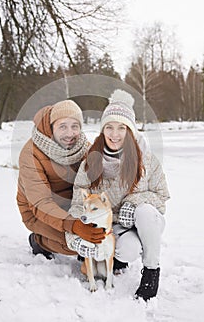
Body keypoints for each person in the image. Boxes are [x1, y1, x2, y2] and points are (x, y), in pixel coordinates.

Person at [66, 89, 170, 301]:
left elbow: (162, 198)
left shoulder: (147, 161)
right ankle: (114, 257)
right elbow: (79, 201)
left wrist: (133, 202)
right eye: (109, 127)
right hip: (112, 229)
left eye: (122, 128)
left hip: (141, 223)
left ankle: (151, 271)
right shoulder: (91, 161)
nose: (115, 134)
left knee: (145, 211)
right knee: (127, 250)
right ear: (103, 130)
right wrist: (74, 236)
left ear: (130, 130)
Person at [17, 100, 106, 259]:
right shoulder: (31, 154)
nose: (70, 133)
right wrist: (74, 225)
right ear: (51, 128)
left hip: (74, 205)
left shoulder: (84, 148)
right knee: (73, 243)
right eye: (62, 126)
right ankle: (39, 240)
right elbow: (40, 202)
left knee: (101, 234)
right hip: (37, 211)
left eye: (75, 126)